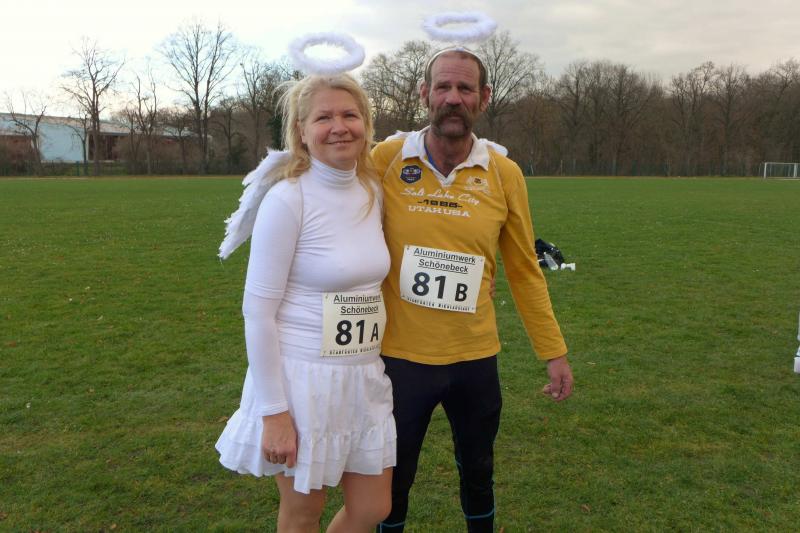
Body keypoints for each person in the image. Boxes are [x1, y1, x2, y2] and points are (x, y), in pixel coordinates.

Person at [371, 46, 574, 532]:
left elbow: (524, 270)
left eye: (465, 88)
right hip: (400, 359)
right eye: (443, 86)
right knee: (392, 480)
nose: (453, 98)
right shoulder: (386, 160)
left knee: (479, 472)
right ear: (424, 94)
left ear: (484, 98)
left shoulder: (504, 174)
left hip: (474, 358)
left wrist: (554, 351)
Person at [216, 73, 395, 533]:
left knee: (373, 508)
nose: (339, 127)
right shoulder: (288, 198)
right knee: (302, 514)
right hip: (303, 383)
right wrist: (275, 412)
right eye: (323, 117)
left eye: (350, 115)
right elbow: (257, 312)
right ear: (301, 130)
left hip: (363, 378)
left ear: (366, 124)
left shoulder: (372, 190)